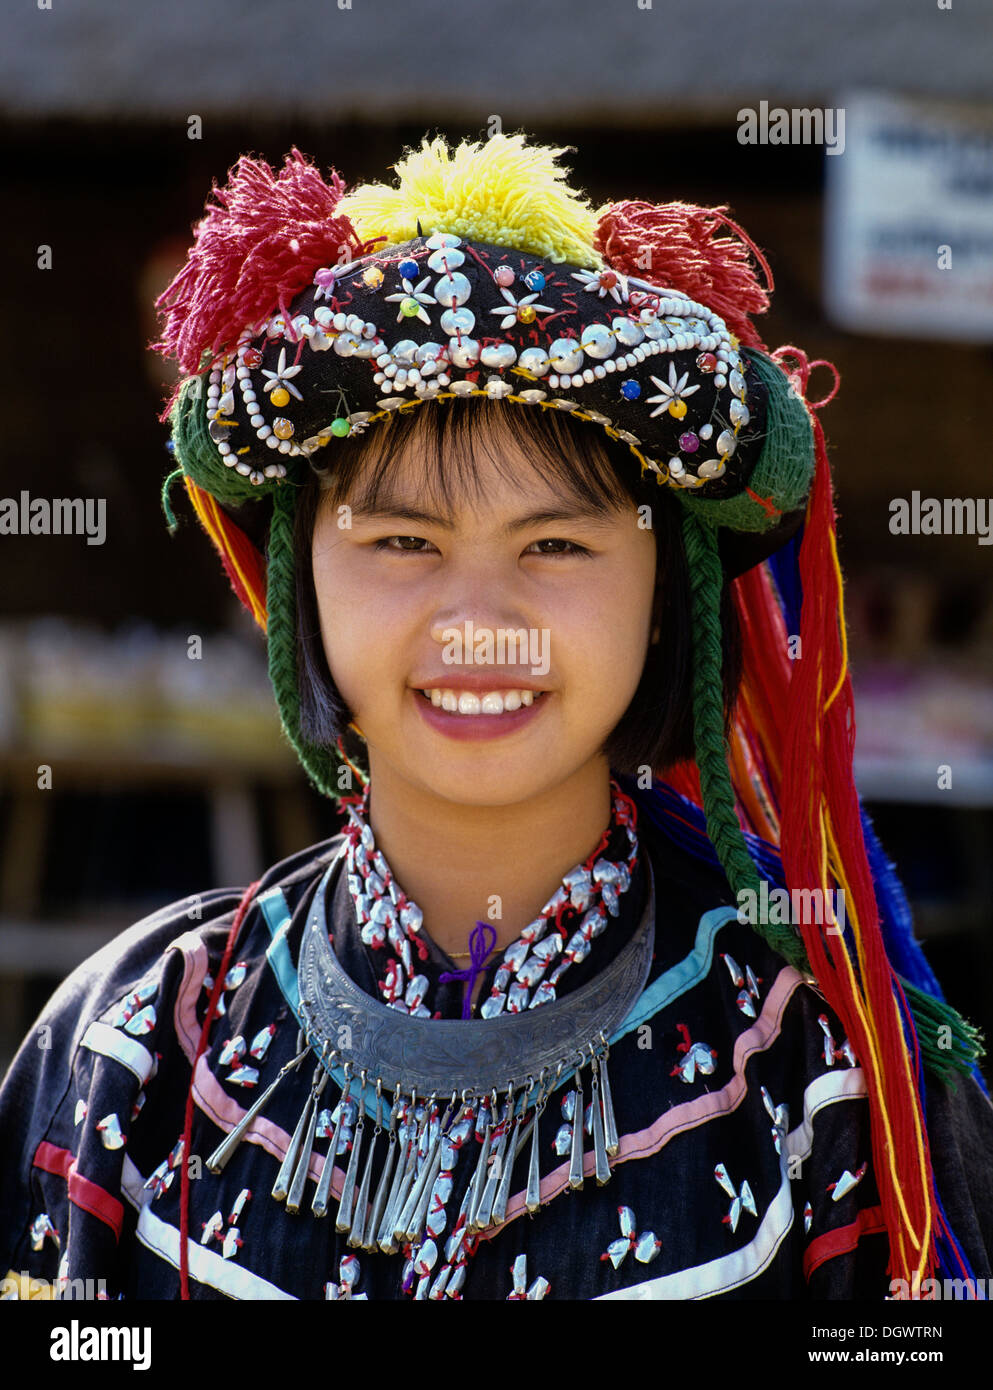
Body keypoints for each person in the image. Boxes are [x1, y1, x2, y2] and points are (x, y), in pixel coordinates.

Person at [1, 133, 991, 1302]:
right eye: (403, 540)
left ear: (666, 600)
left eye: (558, 544)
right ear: (298, 577)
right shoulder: (137, 1041)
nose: (477, 621)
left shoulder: (818, 1072)